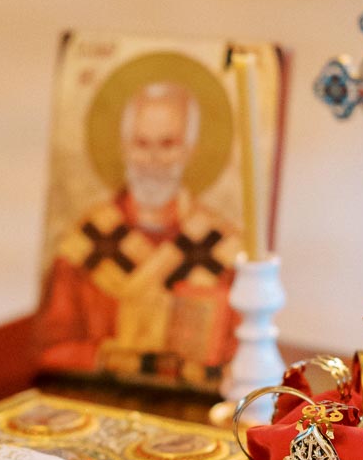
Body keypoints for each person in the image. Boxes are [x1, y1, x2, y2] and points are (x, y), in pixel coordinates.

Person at [37, 80, 239, 386]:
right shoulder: (85, 245)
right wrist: (115, 358)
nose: (153, 160)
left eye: (168, 144)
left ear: (189, 151)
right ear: (124, 149)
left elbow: (239, 359)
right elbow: (50, 350)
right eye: (141, 144)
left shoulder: (221, 248)